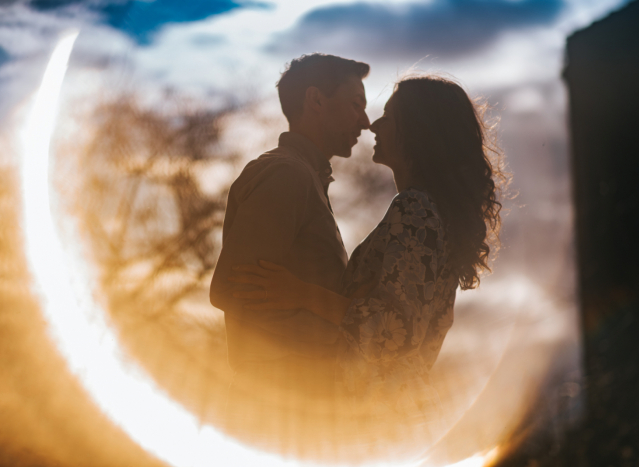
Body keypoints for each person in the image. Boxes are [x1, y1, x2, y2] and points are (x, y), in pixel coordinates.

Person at [228, 75, 507, 417]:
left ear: (416, 130)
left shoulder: (416, 209)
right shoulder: (433, 214)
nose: (373, 123)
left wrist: (299, 293)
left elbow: (395, 330)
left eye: (388, 116)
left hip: (376, 412)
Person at [209, 54, 371, 409]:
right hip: (280, 404)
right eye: (356, 105)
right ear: (316, 100)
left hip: (297, 400)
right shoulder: (288, 175)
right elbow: (233, 290)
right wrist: (338, 336)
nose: (366, 121)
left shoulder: (305, 177)